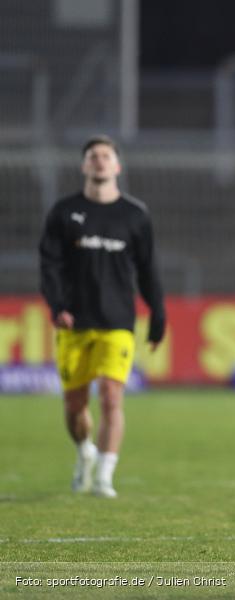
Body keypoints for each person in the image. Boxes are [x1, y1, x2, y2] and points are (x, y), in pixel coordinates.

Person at [39, 135, 166, 498]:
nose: (99, 161)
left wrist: (158, 313)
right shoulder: (63, 213)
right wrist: (56, 304)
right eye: (92, 156)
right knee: (75, 406)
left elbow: (148, 271)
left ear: (117, 166)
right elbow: (49, 265)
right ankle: (84, 453)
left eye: (105, 156)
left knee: (112, 396)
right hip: (74, 321)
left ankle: (106, 476)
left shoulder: (135, 215)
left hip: (118, 321)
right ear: (84, 166)